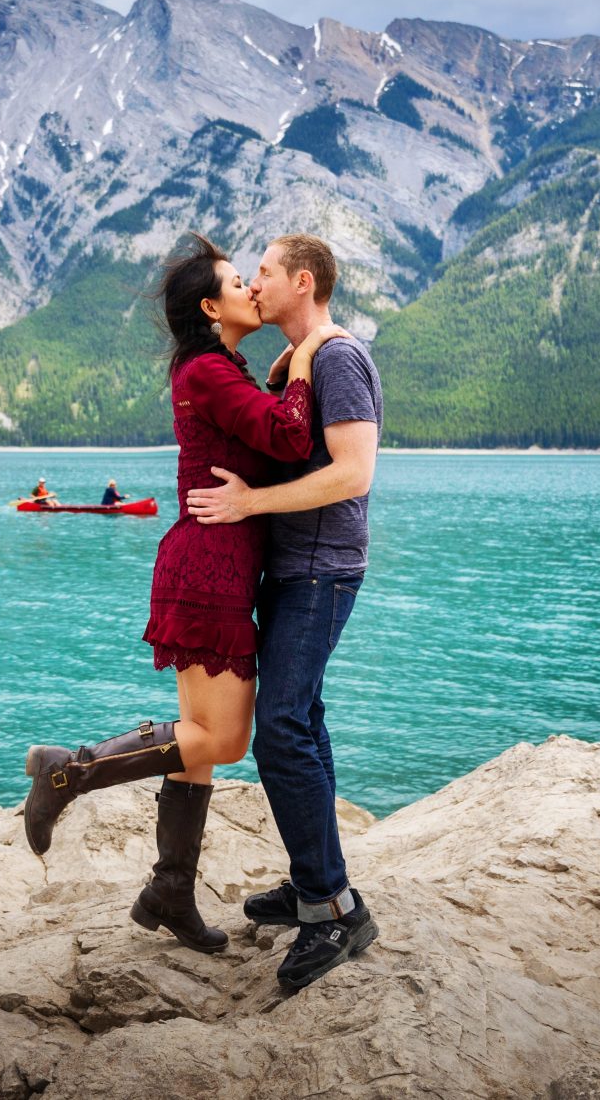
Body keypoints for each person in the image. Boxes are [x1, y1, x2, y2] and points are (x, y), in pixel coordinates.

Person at [20, 232, 348, 957]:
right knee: (224, 738)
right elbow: (290, 437)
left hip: (214, 564)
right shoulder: (207, 368)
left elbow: (257, 438)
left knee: (196, 742)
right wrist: (309, 354)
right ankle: (66, 771)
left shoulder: (220, 367)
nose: (252, 289)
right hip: (210, 569)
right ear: (211, 305)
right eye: (239, 282)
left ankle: (170, 886)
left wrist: (282, 369)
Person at [185, 233, 382, 993]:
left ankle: (333, 912)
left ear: (303, 281)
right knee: (304, 721)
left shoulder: (337, 358)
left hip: (321, 571)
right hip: (294, 568)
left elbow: (354, 472)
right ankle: (317, 885)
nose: (254, 282)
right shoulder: (300, 361)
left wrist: (250, 502)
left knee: (281, 731)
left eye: (263, 271)